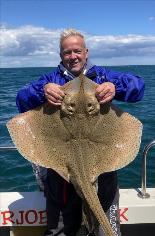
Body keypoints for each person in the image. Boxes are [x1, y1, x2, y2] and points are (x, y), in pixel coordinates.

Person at [16, 28, 145, 236]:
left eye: (77, 51)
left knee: (105, 229)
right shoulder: (50, 79)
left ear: (86, 52)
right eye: (67, 52)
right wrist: (42, 90)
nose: (73, 56)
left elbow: (139, 87)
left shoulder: (102, 76)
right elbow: (21, 99)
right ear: (61, 56)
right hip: (61, 172)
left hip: (102, 168)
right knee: (61, 231)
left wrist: (115, 87)